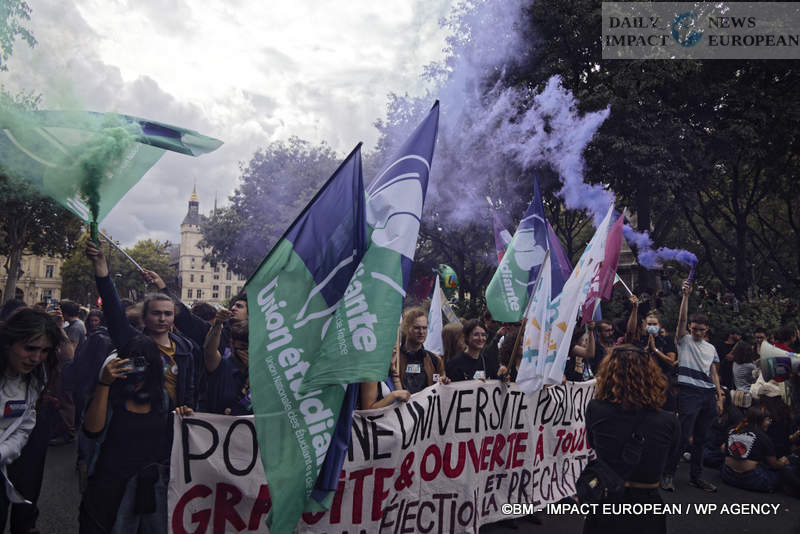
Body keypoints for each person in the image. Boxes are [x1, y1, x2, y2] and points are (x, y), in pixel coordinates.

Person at [78, 335, 193, 533]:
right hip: (109, 487)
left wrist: (183, 418)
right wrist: (104, 383)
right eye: (129, 363)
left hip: (148, 488)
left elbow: (170, 442)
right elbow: (92, 430)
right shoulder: (110, 394)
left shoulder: (162, 399)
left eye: (141, 363)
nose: (136, 370)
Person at [86, 241, 196, 410]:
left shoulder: (185, 348)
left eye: (168, 314)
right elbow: (113, 309)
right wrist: (101, 266)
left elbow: (189, 390)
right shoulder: (132, 341)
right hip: (138, 418)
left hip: (174, 421)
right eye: (156, 313)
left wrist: (187, 410)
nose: (162, 319)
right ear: (144, 317)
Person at [583, 344, 680, 534]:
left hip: (607, 502)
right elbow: (671, 457)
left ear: (608, 374)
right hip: (647, 505)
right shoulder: (669, 421)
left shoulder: (596, 409)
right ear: (651, 376)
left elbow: (592, 443)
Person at [0, 308, 62, 532]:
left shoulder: (36, 379)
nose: (36, 358)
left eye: (44, 351)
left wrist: (3, 452)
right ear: (9, 342)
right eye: (30, 348)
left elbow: (24, 426)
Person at [661, 280, 724, 493]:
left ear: (706, 330)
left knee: (702, 438)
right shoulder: (684, 340)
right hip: (689, 392)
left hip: (707, 393)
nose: (697, 332)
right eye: (694, 329)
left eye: (701, 330)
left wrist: (719, 396)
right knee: (682, 434)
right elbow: (681, 320)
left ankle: (696, 476)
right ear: (690, 328)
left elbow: (713, 372)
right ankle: (668, 474)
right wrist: (686, 296)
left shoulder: (711, 348)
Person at [721, 405, 790, 493]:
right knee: (782, 473)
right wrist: (783, 462)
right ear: (759, 420)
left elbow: (723, 448)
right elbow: (774, 465)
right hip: (752, 480)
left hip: (727, 475)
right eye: (768, 419)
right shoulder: (764, 438)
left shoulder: (733, 430)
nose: (770, 422)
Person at [625, 297, 677, 411]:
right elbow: (630, 331)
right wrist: (635, 308)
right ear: (644, 325)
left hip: (662, 381)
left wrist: (655, 350)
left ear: (659, 325)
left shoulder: (666, 340)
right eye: (649, 324)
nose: (652, 326)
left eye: (654, 324)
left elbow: (671, 361)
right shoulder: (641, 339)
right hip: (643, 380)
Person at [203, 311, 252, 415]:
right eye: (243, 347)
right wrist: (217, 325)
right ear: (231, 344)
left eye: (251, 347)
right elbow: (209, 349)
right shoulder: (221, 365)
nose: (247, 352)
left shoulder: (262, 371)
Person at [395, 308, 448, 394]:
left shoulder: (435, 360)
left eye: (424, 328)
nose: (421, 332)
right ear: (406, 328)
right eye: (417, 328)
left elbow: (440, 388)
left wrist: (444, 382)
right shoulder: (395, 359)